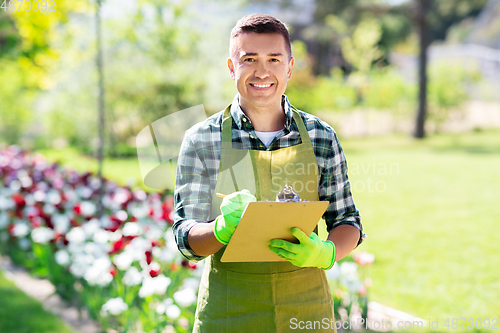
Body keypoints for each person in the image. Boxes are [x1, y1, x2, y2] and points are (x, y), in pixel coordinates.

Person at [173, 13, 364, 333]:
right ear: (232, 68)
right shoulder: (202, 139)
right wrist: (220, 229)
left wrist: (326, 253)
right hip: (229, 313)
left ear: (289, 67)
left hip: (304, 311)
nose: (262, 71)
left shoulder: (320, 136)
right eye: (249, 59)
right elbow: (185, 238)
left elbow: (348, 221)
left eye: (274, 59)